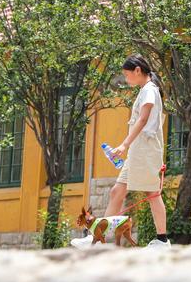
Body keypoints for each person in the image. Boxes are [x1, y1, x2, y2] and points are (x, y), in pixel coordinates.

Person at [73, 54, 170, 249]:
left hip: (146, 151)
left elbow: (143, 120)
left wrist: (124, 145)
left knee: (152, 193)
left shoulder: (149, 90)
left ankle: (162, 240)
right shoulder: (145, 90)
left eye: (127, 74)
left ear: (137, 70)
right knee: (117, 191)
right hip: (138, 150)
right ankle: (96, 239)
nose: (126, 79)